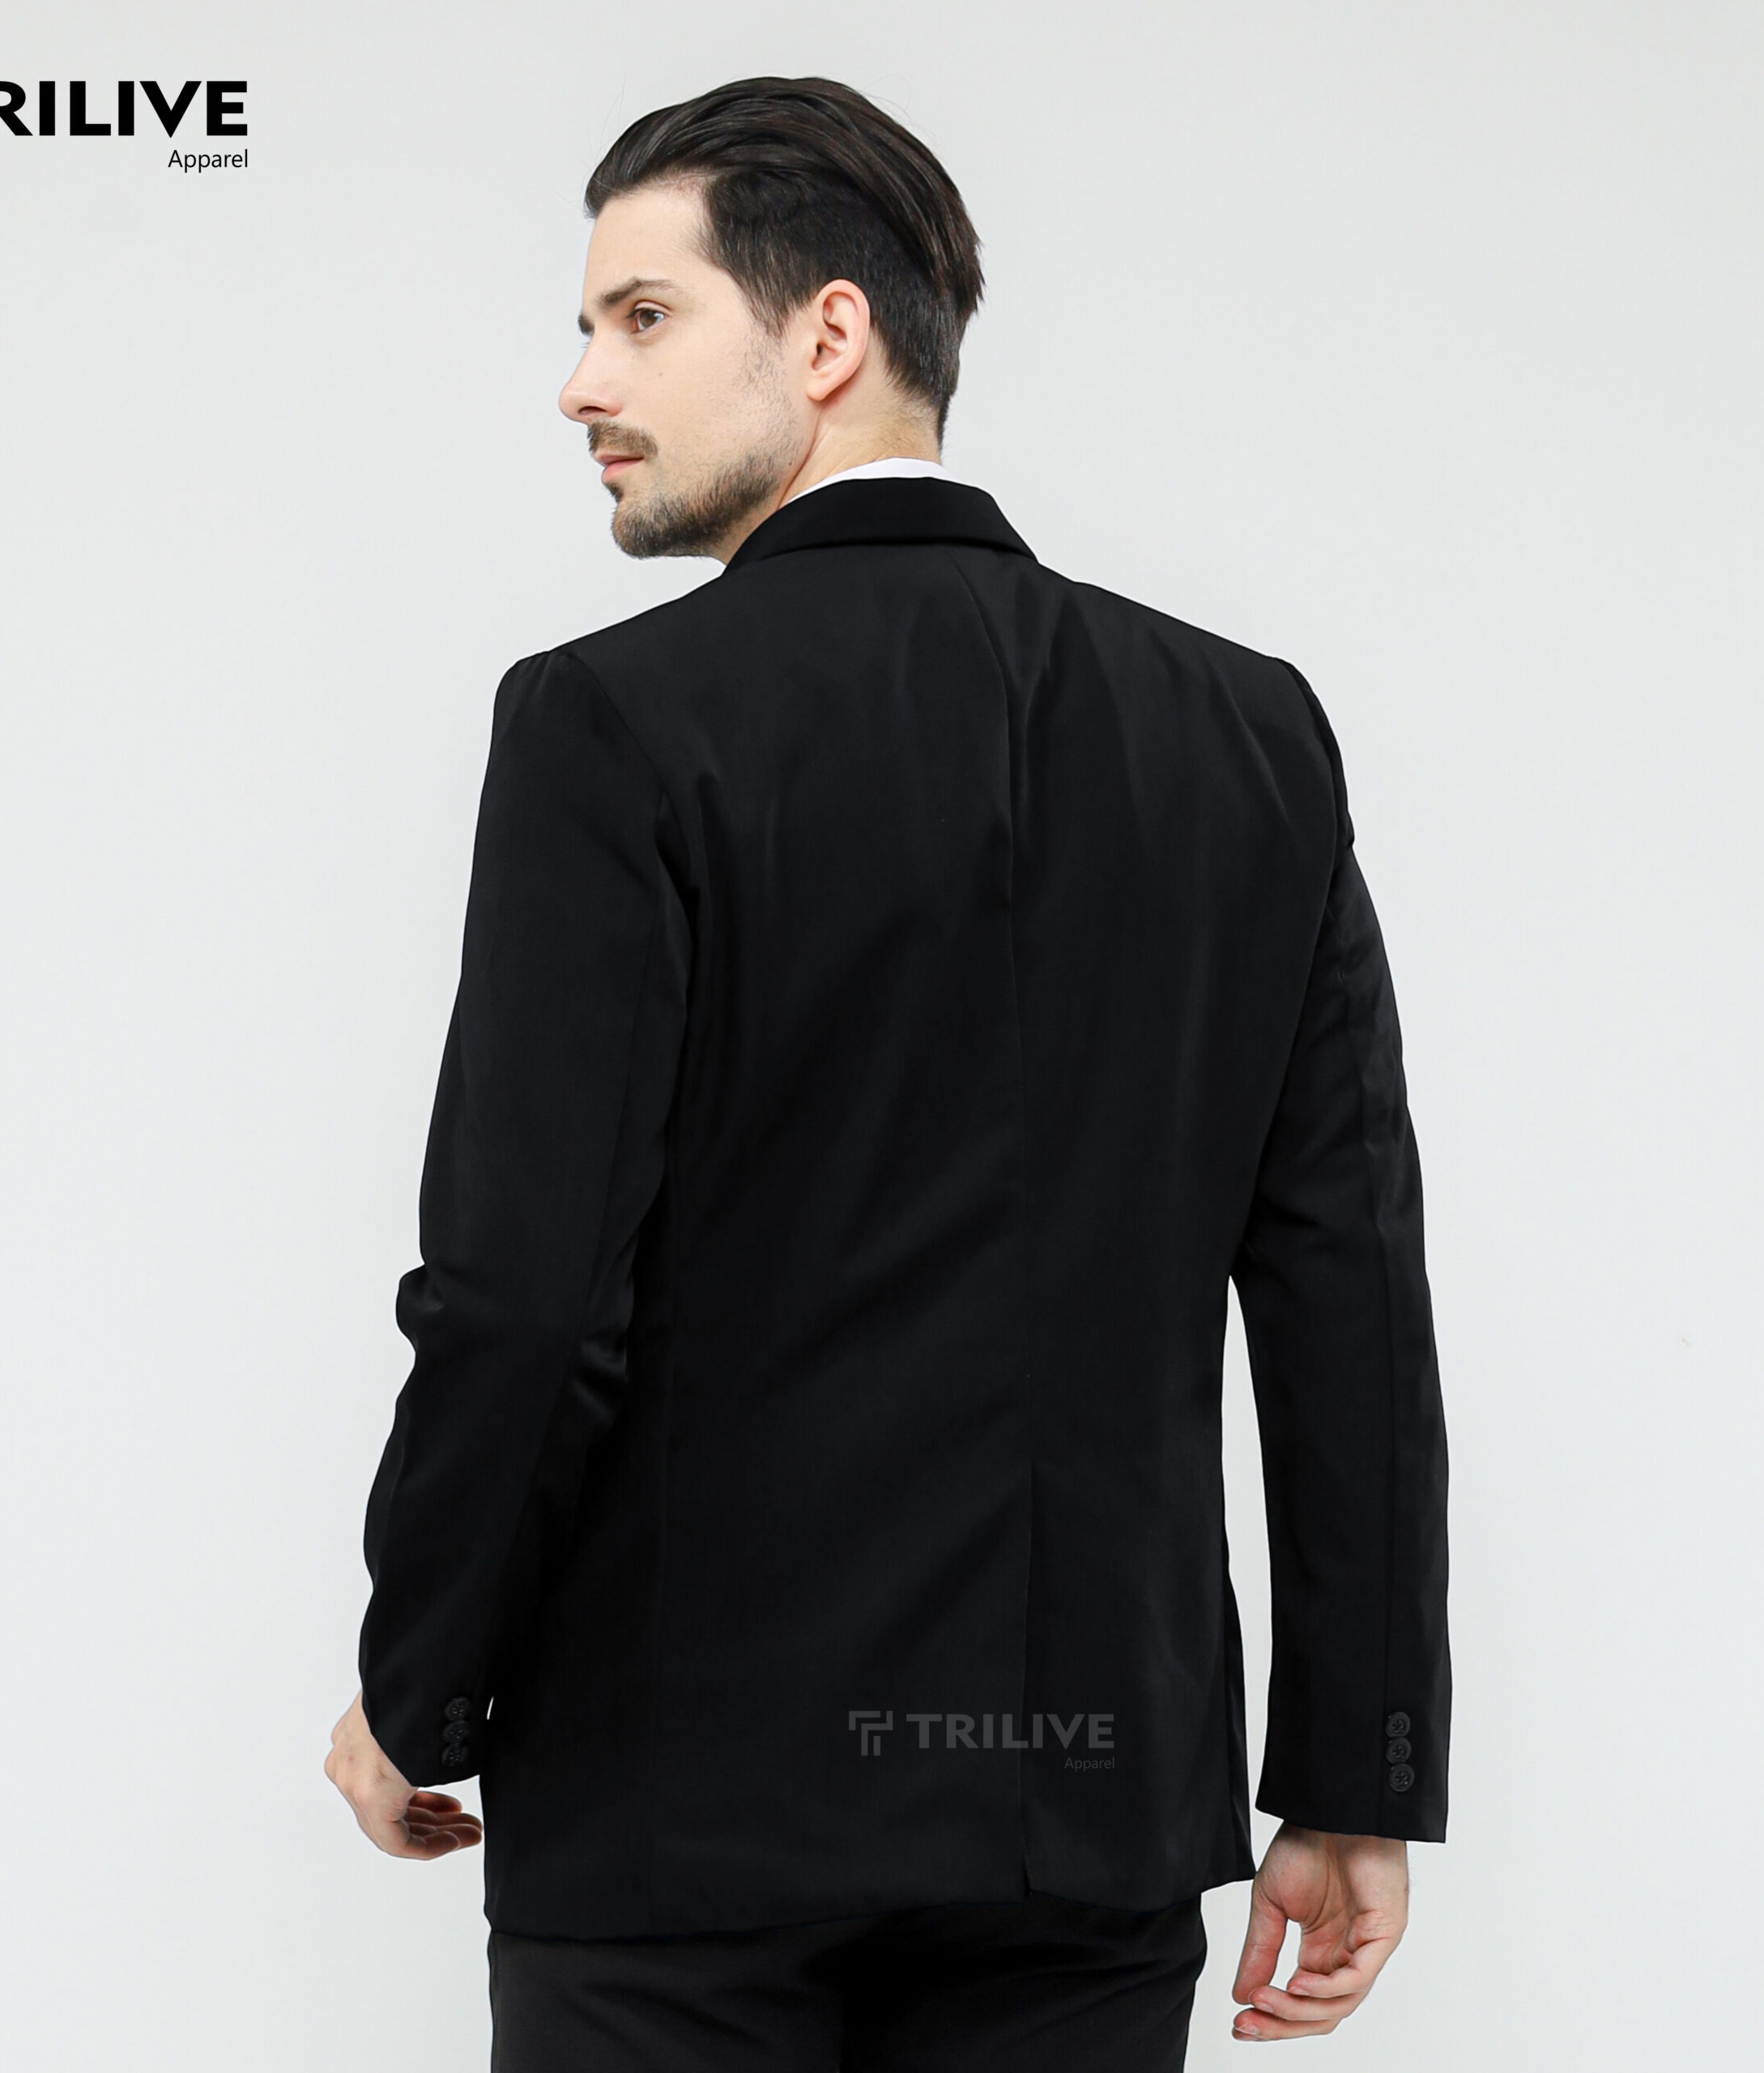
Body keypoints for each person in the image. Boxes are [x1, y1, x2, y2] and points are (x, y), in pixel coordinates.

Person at [325, 74, 1450, 2071]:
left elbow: (526, 1293)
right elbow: (1341, 1282)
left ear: (827, 332)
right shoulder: (1244, 734)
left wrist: (421, 1679)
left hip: (680, 1832)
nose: (580, 383)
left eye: (640, 315)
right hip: (1084, 1812)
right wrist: (1354, 1767)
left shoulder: (611, 723)